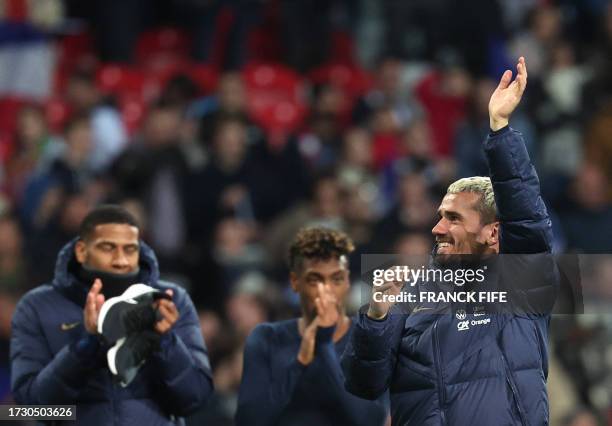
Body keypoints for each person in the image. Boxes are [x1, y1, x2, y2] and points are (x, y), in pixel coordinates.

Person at [341, 57, 558, 425]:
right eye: (440, 216)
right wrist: (376, 319)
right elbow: (363, 383)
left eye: (453, 218)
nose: (437, 228)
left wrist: (500, 130)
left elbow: (526, 218)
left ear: (492, 233)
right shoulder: (409, 296)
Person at [10, 205, 213, 425]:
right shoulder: (36, 306)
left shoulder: (171, 300)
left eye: (130, 249)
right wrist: (86, 346)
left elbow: (195, 400)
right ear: (81, 251)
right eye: (107, 248)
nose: (121, 261)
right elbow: (31, 409)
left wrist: (164, 342)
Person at [236, 227, 388, 426]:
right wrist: (299, 363)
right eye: (315, 279)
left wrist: (324, 345)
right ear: (295, 282)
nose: (326, 291)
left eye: (336, 279)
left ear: (347, 281)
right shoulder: (267, 338)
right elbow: (249, 421)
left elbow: (372, 420)